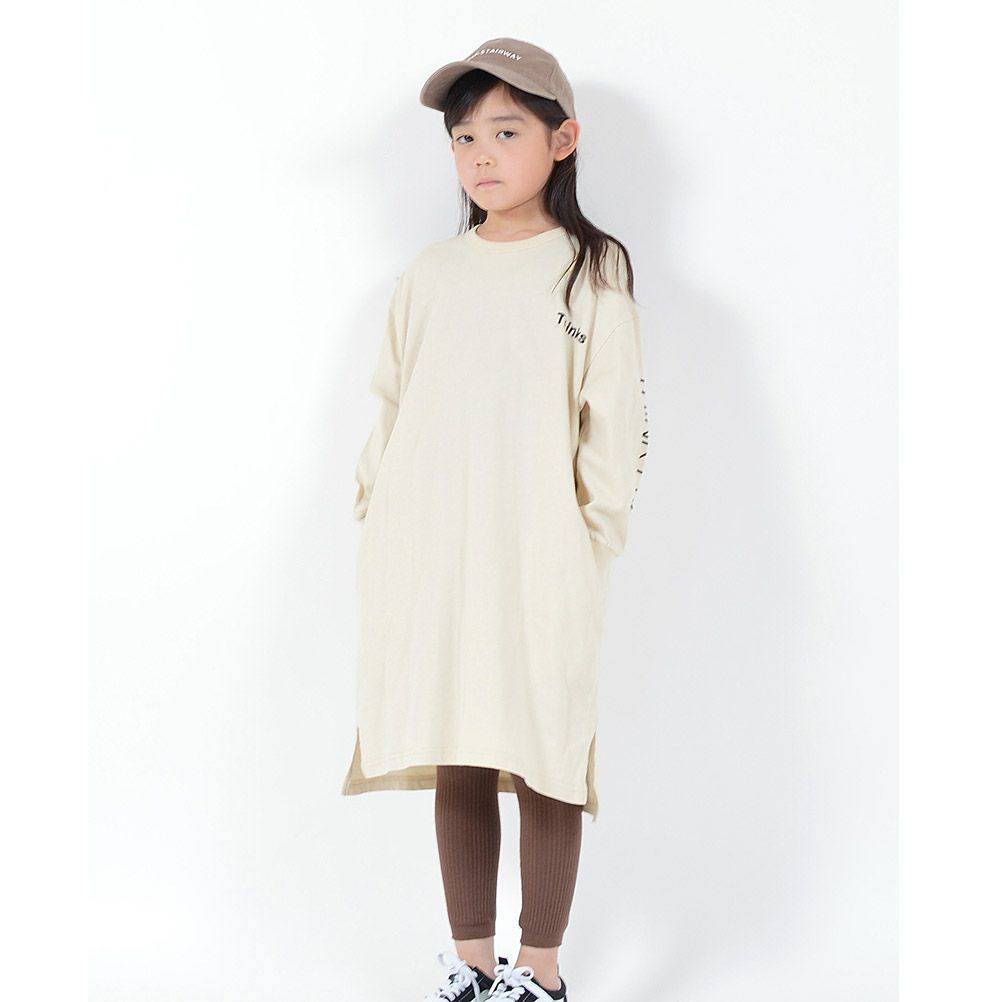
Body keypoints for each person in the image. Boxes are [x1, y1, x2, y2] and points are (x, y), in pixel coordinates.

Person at [341, 37, 650, 1001]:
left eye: (506, 132)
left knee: (546, 745)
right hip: (430, 550)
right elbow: (391, 404)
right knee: (461, 743)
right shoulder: (432, 272)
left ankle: (541, 972)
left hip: (541, 555)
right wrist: (378, 515)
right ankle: (473, 965)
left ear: (563, 140)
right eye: (464, 137)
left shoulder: (589, 269)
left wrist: (589, 541)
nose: (480, 155)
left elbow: (616, 423)